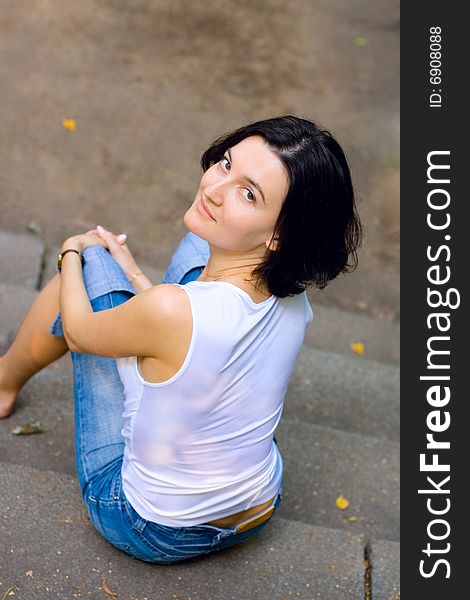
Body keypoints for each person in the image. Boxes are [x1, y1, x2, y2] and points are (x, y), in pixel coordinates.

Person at [0, 115, 362, 563]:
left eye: (248, 194)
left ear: (279, 234)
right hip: (258, 505)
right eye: (225, 164)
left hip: (151, 525)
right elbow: (192, 324)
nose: (213, 189)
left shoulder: (173, 311)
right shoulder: (295, 298)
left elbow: (78, 331)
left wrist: (72, 251)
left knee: (88, 272)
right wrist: (134, 274)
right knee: (196, 249)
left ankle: (2, 385)